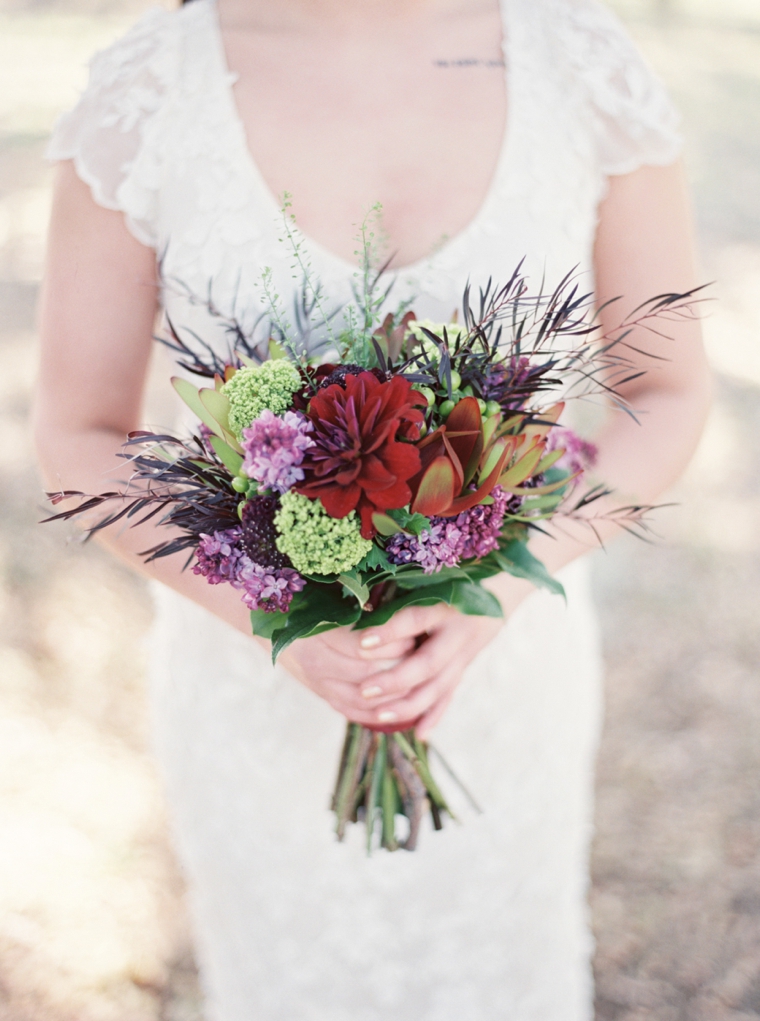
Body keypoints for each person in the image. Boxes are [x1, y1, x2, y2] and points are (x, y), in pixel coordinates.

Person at [35, 0, 710, 1017]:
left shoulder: (580, 65)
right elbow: (76, 438)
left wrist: (493, 586)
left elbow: (666, 396)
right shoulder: (147, 90)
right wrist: (275, 619)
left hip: (502, 675)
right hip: (250, 687)